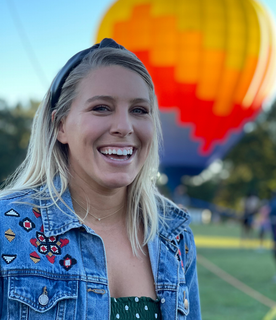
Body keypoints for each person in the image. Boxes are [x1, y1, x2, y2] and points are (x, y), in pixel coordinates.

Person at [0, 39, 201, 319]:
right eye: (101, 108)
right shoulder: (6, 229)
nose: (123, 127)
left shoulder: (174, 234)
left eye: (139, 110)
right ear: (61, 126)